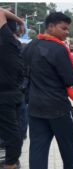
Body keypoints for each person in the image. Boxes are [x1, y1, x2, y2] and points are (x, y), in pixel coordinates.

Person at [22, 12, 73, 169]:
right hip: (58, 108)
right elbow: (70, 80)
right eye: (63, 28)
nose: (67, 32)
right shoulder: (58, 49)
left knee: (37, 149)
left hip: (35, 108)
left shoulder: (30, 46)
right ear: (51, 26)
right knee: (67, 149)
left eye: (68, 29)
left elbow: (23, 74)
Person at [0, 8, 24, 169]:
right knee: (12, 130)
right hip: (13, 94)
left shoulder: (6, 41)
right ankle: (11, 162)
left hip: (4, 96)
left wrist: (21, 21)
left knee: (11, 132)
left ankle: (10, 164)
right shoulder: (14, 44)